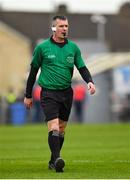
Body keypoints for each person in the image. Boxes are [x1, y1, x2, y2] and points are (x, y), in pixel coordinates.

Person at [24, 15, 96, 173]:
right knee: (54, 126)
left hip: (66, 93)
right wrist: (28, 94)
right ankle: (57, 159)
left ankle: (52, 160)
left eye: (66, 26)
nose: (65, 29)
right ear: (54, 28)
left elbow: (82, 67)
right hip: (48, 93)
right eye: (61, 26)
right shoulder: (42, 48)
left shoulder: (73, 48)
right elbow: (33, 72)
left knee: (62, 129)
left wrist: (89, 81)